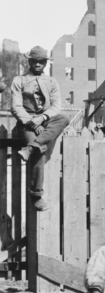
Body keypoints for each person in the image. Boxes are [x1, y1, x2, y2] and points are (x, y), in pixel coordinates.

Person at [10, 46, 69, 211]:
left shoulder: (52, 81)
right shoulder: (18, 81)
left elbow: (57, 105)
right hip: (26, 122)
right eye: (34, 61)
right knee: (40, 150)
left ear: (46, 63)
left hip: (46, 120)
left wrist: (42, 118)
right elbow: (15, 107)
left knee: (64, 117)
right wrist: (30, 122)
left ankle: (31, 147)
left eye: (41, 61)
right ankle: (36, 195)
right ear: (29, 62)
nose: (38, 64)